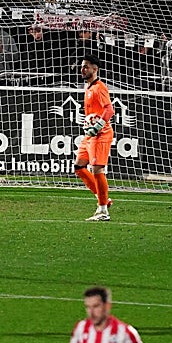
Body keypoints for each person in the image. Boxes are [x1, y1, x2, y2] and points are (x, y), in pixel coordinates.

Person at [76, 53, 115, 221]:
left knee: (97, 169)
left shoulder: (99, 87)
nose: (82, 69)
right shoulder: (89, 88)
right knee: (79, 167)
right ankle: (103, 199)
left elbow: (109, 109)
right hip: (90, 134)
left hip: (101, 134)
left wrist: (97, 126)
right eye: (82, 67)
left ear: (95, 69)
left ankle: (103, 211)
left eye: (86, 67)